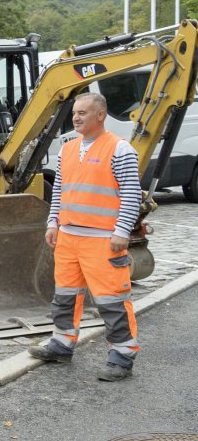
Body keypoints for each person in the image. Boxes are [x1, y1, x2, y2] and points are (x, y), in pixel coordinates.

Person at [29, 93, 142, 381]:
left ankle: (122, 357)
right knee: (65, 296)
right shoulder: (68, 149)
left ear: (100, 115)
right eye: (75, 113)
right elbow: (60, 191)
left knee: (112, 300)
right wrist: (53, 222)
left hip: (102, 240)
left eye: (83, 113)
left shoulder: (120, 150)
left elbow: (131, 194)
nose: (76, 117)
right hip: (68, 237)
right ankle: (62, 343)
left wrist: (121, 231)